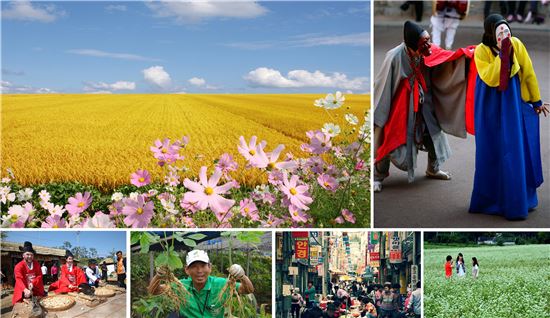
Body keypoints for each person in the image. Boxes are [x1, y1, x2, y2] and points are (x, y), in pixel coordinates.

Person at [374, 20, 471, 192]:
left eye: (428, 40)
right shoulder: (394, 57)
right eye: (423, 43)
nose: (428, 45)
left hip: (425, 103)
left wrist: (467, 55)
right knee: (389, 139)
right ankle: (377, 176)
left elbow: (447, 58)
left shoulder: (428, 50)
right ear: (412, 46)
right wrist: (379, 116)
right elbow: (383, 86)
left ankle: (433, 169)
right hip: (401, 108)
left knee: (434, 134)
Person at [469, 14, 549, 220]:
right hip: (490, 107)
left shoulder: (517, 44)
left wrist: (536, 101)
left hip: (512, 103)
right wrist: (502, 56)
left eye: (507, 31)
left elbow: (528, 72)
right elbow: (490, 77)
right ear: (490, 34)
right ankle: (492, 200)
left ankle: (518, 200)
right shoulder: (481, 51)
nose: (505, 35)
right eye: (500, 32)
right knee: (493, 150)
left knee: (515, 150)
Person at [149, 249, 254, 318]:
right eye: (194, 266)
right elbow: (154, 291)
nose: (199, 270)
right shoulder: (181, 285)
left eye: (203, 266)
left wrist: (242, 276)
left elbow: (248, 289)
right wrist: (158, 276)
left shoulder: (220, 284)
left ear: (210, 268)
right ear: (187, 270)